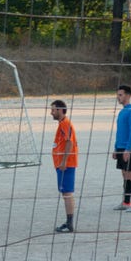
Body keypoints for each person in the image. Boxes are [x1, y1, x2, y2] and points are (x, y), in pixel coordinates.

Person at [50, 99, 78, 232]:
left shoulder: (65, 124)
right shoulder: (62, 123)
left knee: (67, 193)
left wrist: (64, 161)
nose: (51, 113)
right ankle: (68, 222)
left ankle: (69, 224)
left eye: (53, 110)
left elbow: (69, 142)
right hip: (63, 164)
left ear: (60, 110)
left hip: (66, 165)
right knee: (65, 193)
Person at [113, 84, 131, 212]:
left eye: (120, 95)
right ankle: (126, 202)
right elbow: (120, 132)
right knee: (125, 174)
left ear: (128, 95)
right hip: (120, 148)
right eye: (117, 95)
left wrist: (128, 149)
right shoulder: (122, 112)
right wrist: (116, 148)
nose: (118, 97)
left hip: (129, 148)